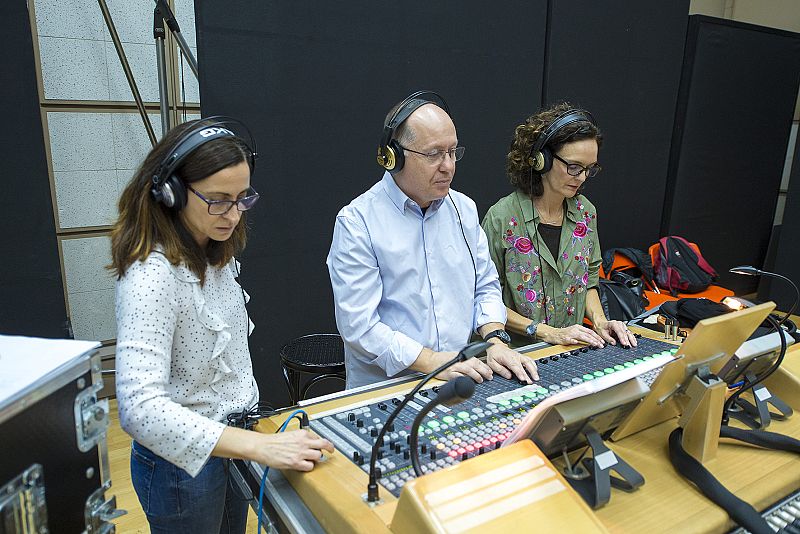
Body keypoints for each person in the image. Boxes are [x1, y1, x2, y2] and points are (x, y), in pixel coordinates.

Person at [111, 118, 333, 534]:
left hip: (232, 445)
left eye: (242, 198)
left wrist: (251, 442)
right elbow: (139, 410)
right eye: (217, 200)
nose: (233, 214)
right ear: (171, 193)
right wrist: (262, 447)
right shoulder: (151, 276)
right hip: (182, 467)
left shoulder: (212, 248)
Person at [327, 91, 539, 390]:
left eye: (453, 152)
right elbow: (360, 327)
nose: (448, 166)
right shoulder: (357, 222)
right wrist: (433, 361)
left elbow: (486, 286)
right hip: (390, 390)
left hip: (457, 377)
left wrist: (495, 339)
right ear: (393, 157)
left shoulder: (463, 209)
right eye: (434, 154)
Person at [481, 103, 636, 349]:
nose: (582, 177)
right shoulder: (501, 218)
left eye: (589, 169)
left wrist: (600, 322)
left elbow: (589, 283)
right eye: (573, 167)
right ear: (541, 160)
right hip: (518, 355)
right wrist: (546, 333)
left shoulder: (586, 213)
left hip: (571, 349)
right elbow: (484, 302)